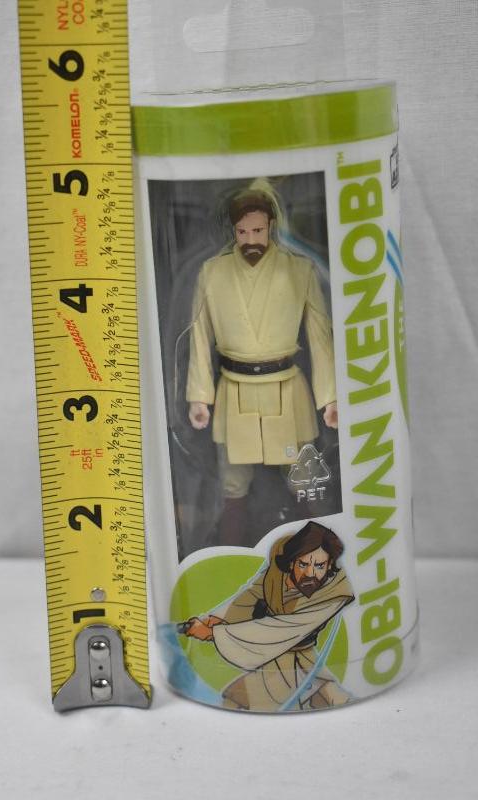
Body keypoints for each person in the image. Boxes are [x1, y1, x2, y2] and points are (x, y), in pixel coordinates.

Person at [186, 187, 338, 545]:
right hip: (235, 387)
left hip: (286, 388)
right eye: (242, 232)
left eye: (257, 230)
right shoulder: (212, 272)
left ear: (271, 226)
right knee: (232, 483)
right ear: (233, 231)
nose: (250, 239)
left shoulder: (299, 270)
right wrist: (199, 397)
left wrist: (330, 398)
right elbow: (198, 335)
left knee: (305, 476)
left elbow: (320, 338)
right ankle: (230, 553)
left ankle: (319, 547)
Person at [184, 520, 354, 712]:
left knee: (245, 699)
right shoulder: (277, 573)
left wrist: (214, 633)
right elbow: (252, 594)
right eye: (303, 564)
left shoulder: (333, 595)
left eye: (320, 565)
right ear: (292, 561)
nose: (310, 573)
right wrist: (219, 618)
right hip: (285, 661)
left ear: (329, 565)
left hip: (291, 654)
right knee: (239, 700)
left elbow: (281, 628)